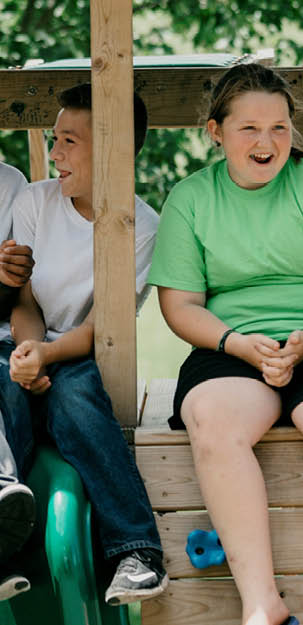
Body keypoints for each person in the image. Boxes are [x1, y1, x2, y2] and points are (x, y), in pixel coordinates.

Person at [147, 63, 303, 625]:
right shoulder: (191, 199)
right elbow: (180, 305)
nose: (267, 142)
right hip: (229, 344)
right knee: (212, 418)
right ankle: (262, 604)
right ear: (216, 132)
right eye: (250, 129)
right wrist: (237, 343)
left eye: (280, 128)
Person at [0, 85, 167, 606]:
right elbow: (24, 302)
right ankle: (9, 544)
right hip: (28, 347)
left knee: (75, 402)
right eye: (54, 139)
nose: (54, 154)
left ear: (113, 150)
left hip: (77, 357)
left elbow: (102, 328)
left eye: (69, 141)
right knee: (2, 386)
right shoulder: (35, 201)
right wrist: (28, 355)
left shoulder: (142, 229)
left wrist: (47, 357)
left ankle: (137, 552)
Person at [0, 161, 34, 602]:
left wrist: (7, 276)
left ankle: (6, 494)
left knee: (10, 381)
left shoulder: (10, 184)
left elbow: (16, 298)